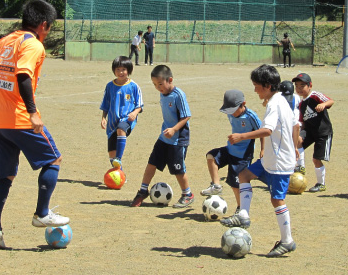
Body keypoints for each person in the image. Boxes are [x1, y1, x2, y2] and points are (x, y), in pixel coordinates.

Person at [0, 0, 70, 249]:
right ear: (43, 25)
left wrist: (4, 97)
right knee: (53, 159)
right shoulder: (32, 45)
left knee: (5, 175)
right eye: (50, 27)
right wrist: (32, 112)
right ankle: (42, 213)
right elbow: (23, 74)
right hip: (20, 118)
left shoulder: (4, 41)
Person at [220, 64, 299, 258]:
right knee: (244, 175)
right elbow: (296, 124)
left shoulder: (274, 104)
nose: (254, 89)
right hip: (271, 159)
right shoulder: (281, 100)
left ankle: (287, 241)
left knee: (277, 199)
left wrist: (242, 136)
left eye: (256, 85)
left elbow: (268, 131)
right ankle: (244, 215)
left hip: (279, 162)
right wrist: (295, 146)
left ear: (267, 85)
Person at [131, 65, 194, 208]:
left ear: (170, 80)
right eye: (154, 85)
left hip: (178, 139)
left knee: (178, 169)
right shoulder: (162, 94)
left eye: (160, 84)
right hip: (164, 137)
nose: (158, 87)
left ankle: (187, 194)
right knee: (151, 163)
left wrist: (173, 129)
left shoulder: (178, 95)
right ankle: (142, 191)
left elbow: (186, 116)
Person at [200, 90, 264, 214]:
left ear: (243, 104)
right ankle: (216, 186)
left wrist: (262, 149)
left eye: (233, 110)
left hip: (243, 155)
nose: (231, 114)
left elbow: (262, 132)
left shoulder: (251, 116)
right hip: (230, 149)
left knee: (236, 184)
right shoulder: (230, 113)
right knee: (211, 156)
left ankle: (241, 208)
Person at [100, 56, 143, 171]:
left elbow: (140, 105)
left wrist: (135, 112)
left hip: (127, 119)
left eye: (123, 69)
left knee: (121, 129)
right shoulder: (110, 86)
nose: (121, 72)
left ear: (129, 70)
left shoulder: (134, 86)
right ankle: (120, 174)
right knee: (111, 154)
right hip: (112, 121)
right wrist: (104, 117)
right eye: (118, 69)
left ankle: (119, 157)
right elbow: (106, 103)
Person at [293, 73, 334, 193]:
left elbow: (331, 101)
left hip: (323, 132)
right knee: (298, 140)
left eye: (302, 85)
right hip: (310, 131)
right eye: (297, 86)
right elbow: (302, 121)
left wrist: (323, 104)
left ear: (310, 85)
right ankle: (300, 166)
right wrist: (300, 132)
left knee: (316, 159)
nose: (299, 88)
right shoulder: (301, 104)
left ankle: (321, 184)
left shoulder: (315, 95)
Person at [279, 80, 305, 174]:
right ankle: (295, 165)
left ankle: (300, 165)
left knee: (297, 142)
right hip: (288, 124)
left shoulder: (295, 98)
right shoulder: (294, 97)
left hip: (294, 124)